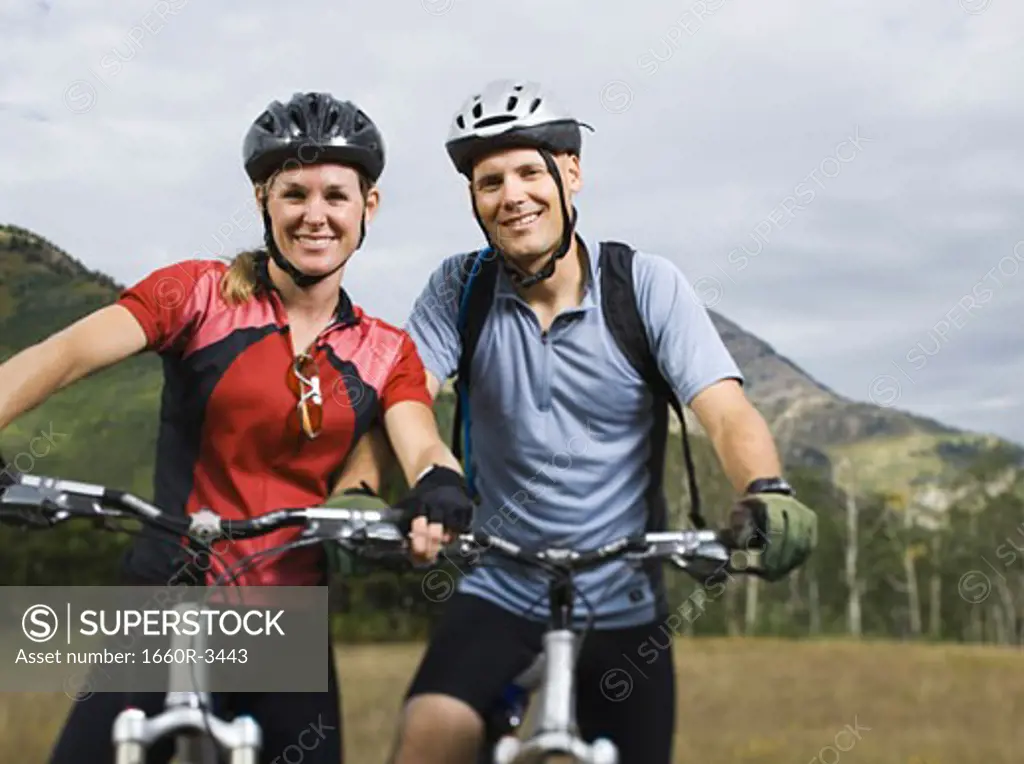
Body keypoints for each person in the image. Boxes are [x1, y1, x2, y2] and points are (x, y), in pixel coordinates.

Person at [0, 91, 474, 763]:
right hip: (163, 602)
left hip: (286, 627)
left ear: (369, 206)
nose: (316, 215)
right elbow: (61, 355)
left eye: (336, 196)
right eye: (294, 194)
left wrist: (441, 490)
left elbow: (422, 442)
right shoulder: (196, 294)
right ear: (262, 201)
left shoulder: (385, 350)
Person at [380, 79, 820, 764]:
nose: (512, 195)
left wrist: (766, 487)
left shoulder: (643, 286)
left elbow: (725, 409)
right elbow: (406, 395)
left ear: (572, 173)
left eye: (530, 171)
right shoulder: (457, 289)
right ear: (473, 198)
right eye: (489, 181)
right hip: (500, 585)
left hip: (624, 599)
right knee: (432, 733)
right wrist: (430, 475)